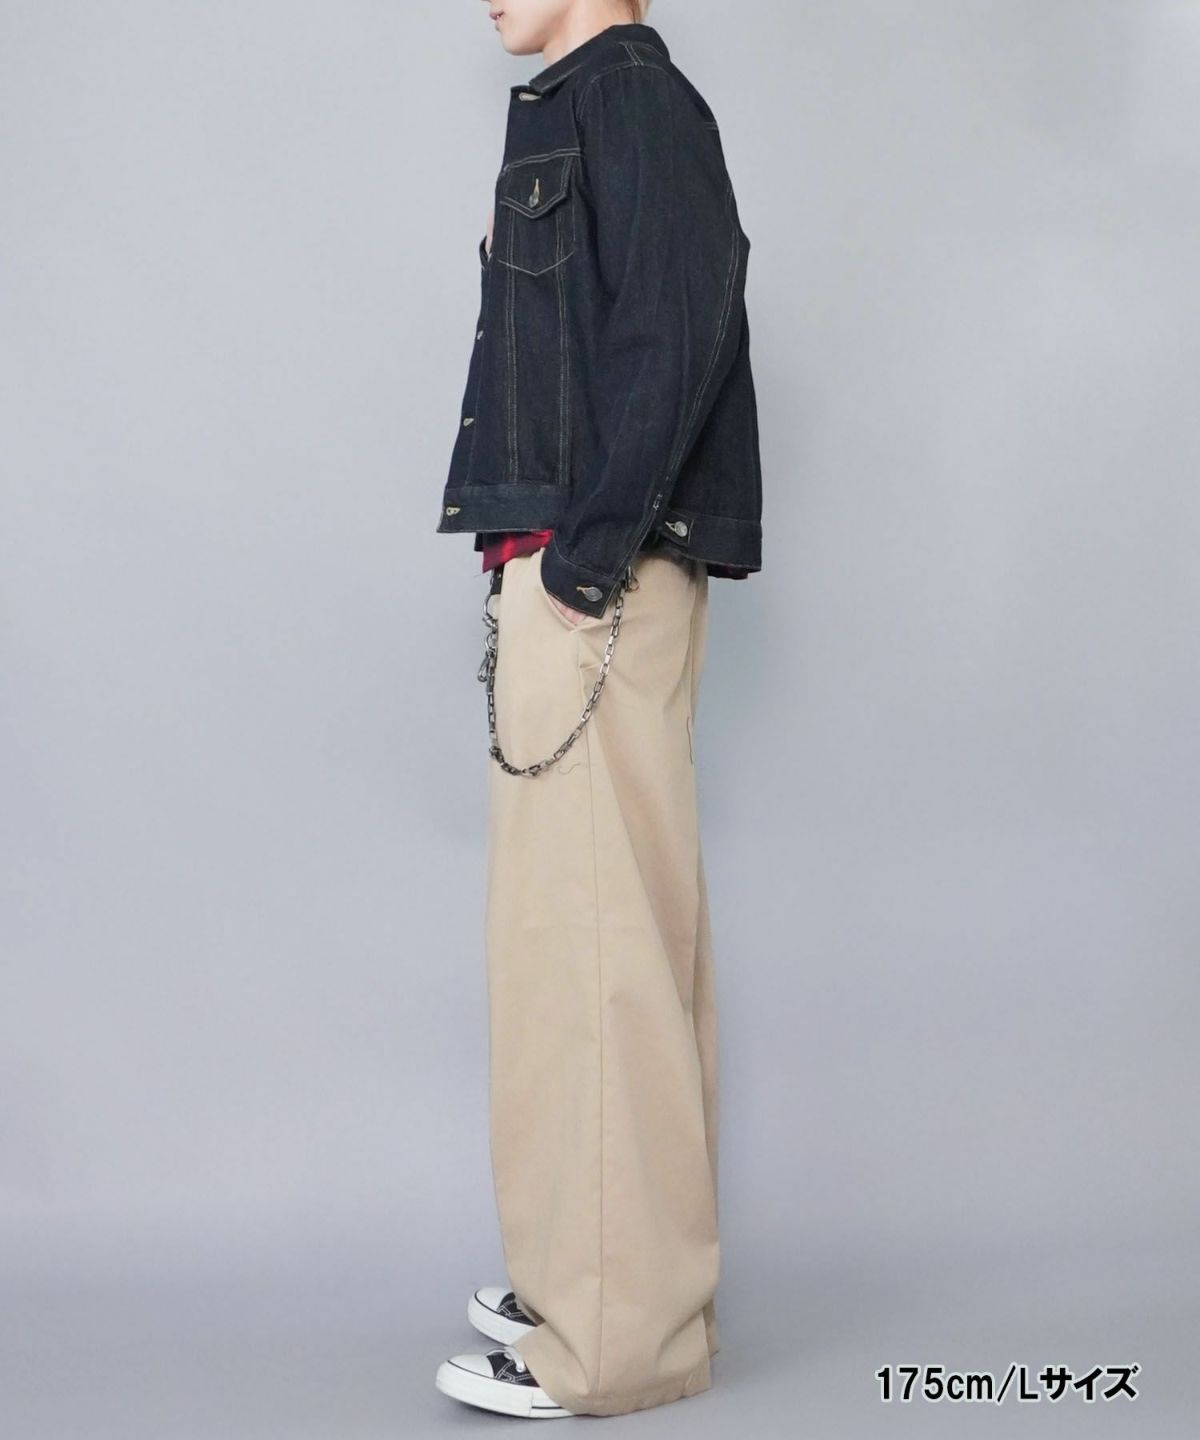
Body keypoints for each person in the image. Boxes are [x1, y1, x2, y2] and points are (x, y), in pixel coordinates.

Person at [433, 0, 763, 1418]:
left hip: (595, 584)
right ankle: (602, 1277)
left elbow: (683, 321)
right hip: (577, 577)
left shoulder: (630, 102)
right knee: (573, 946)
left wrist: (581, 564)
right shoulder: (586, 104)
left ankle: (616, 1337)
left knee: (594, 948)